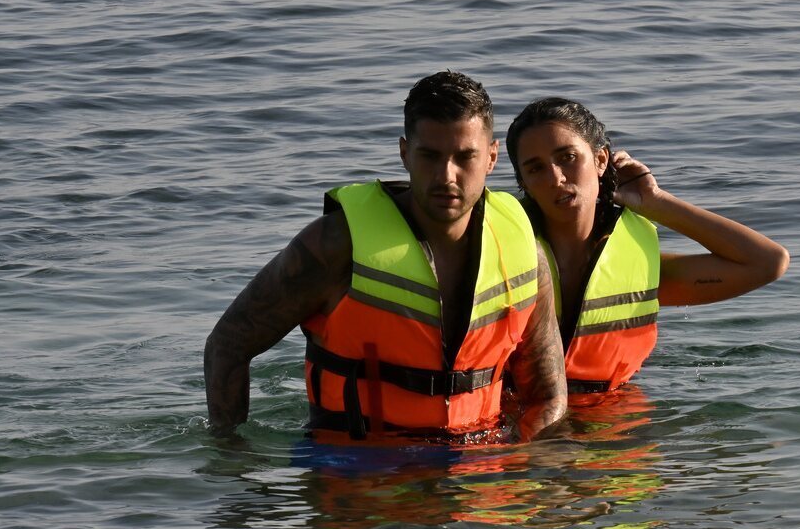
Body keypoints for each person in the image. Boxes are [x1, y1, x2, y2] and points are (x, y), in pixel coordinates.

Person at [204, 72, 567, 442]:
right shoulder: (336, 245)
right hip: (357, 469)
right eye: (430, 156)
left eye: (464, 157)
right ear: (405, 153)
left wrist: (527, 466)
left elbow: (549, 394)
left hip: (478, 473)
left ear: (491, 157)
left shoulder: (524, 250)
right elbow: (227, 345)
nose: (447, 176)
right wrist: (232, 461)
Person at [505, 97, 790, 394]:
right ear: (524, 183)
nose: (556, 178)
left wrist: (655, 202)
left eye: (568, 157)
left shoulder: (641, 269)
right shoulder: (500, 260)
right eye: (536, 168)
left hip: (615, 425)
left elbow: (768, 262)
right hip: (514, 422)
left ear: (601, 160)